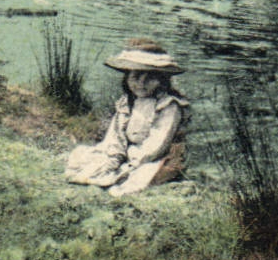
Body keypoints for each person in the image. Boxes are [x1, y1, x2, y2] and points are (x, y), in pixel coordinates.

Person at [64, 38, 189, 196]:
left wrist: (134, 162)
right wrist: (115, 157)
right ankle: (115, 169)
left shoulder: (169, 105)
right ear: (127, 78)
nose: (141, 84)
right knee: (85, 159)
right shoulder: (127, 102)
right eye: (135, 77)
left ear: (161, 80)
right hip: (129, 152)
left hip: (158, 157)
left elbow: (158, 142)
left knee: (137, 180)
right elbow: (116, 135)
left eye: (149, 78)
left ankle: (127, 176)